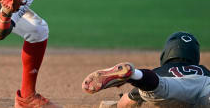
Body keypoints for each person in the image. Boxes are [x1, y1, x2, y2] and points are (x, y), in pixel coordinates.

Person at [81, 32, 210, 107]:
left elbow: (126, 103)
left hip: (171, 85)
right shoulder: (203, 69)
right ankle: (136, 76)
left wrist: (120, 103)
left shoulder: (161, 71)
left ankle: (136, 75)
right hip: (204, 84)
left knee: (157, 86)